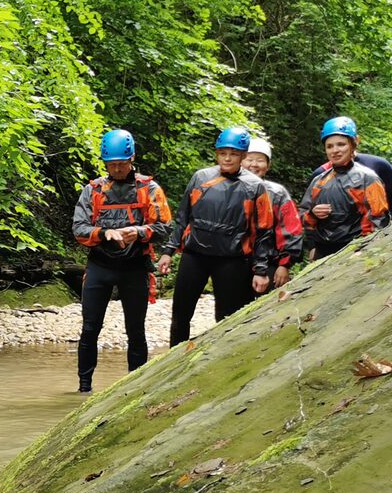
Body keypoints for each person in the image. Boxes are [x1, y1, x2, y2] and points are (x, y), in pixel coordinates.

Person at [70, 128, 173, 393]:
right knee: (90, 328)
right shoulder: (93, 190)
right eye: (111, 165)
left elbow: (164, 225)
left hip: (135, 267)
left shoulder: (149, 189)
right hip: (100, 266)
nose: (116, 169)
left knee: (135, 329)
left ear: (132, 159)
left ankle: (135, 387)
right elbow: (79, 229)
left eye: (121, 164)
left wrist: (137, 232)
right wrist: (105, 233)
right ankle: (84, 388)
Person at [156, 126, 274, 346]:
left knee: (225, 318)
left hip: (231, 260)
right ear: (217, 153)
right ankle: (172, 363)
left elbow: (263, 230)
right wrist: (168, 251)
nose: (227, 158)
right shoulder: (201, 177)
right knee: (180, 316)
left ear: (243, 156)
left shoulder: (255, 186)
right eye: (223, 153)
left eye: (233, 154)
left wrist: (260, 269)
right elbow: (183, 217)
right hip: (195, 255)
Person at [300, 117, 391, 260]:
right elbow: (302, 216)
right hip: (322, 252)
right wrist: (312, 214)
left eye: (341, 144)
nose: (335, 150)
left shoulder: (368, 179)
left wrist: (366, 249)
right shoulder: (319, 180)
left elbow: (379, 219)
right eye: (329, 146)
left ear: (353, 145)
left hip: (354, 251)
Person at [241, 138, 303, 289]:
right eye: (249, 159)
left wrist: (285, 265)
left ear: (268, 165)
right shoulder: (228, 188)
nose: (254, 164)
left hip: (270, 263)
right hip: (234, 262)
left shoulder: (277, 193)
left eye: (260, 160)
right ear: (241, 161)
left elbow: (290, 229)